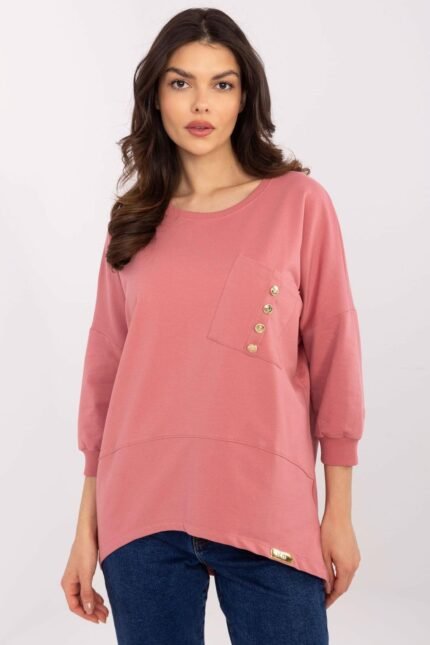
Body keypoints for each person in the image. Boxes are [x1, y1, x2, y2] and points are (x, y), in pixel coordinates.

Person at [60, 7, 365, 644]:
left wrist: (338, 511)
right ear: (156, 96)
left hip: (268, 511)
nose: (201, 103)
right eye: (181, 82)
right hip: (140, 517)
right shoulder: (132, 222)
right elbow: (104, 378)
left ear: (244, 97)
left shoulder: (298, 204)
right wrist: (84, 529)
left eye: (221, 84)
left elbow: (336, 353)